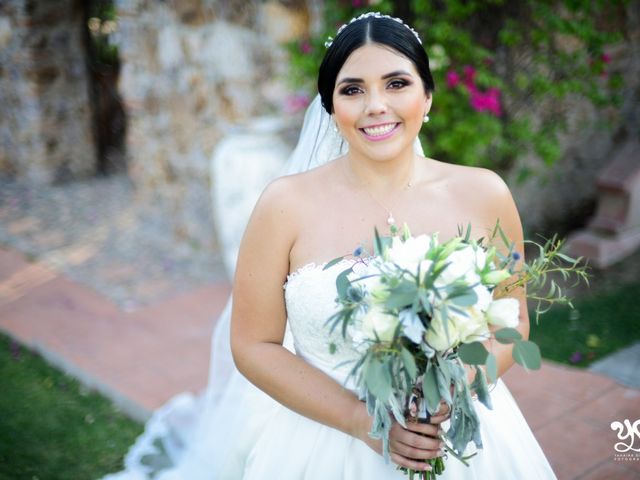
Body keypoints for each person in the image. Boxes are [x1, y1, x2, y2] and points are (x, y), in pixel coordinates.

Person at [107, 12, 556, 480]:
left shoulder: (484, 194)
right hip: (322, 445)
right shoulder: (284, 205)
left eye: (396, 83)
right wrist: (363, 422)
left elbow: (513, 319)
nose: (376, 106)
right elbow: (253, 345)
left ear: (427, 96)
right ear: (330, 106)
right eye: (353, 89)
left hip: (463, 441)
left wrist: (454, 390)